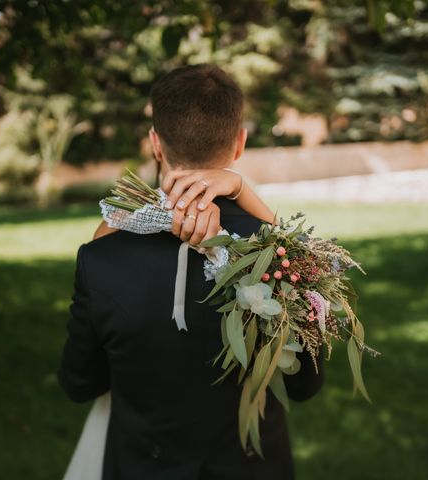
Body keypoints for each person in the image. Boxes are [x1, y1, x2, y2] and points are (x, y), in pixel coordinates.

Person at [58, 64, 324, 480]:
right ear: (239, 143)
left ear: (155, 144)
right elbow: (305, 384)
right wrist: (241, 189)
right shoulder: (284, 257)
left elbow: (79, 383)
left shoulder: (101, 259)